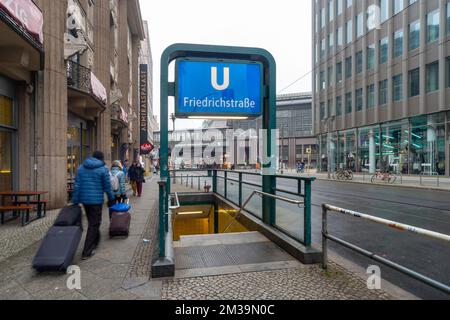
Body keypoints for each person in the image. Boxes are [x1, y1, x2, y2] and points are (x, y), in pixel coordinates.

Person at [71, 151, 115, 260]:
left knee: (93, 222)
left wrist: (75, 201)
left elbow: (77, 185)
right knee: (94, 224)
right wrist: (111, 199)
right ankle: (87, 251)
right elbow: (107, 187)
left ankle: (96, 240)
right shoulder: (103, 169)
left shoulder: (81, 168)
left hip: (85, 201)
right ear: (101, 158)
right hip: (96, 201)